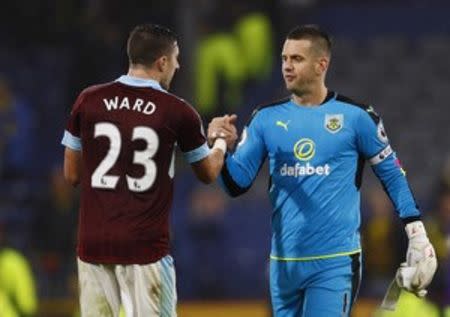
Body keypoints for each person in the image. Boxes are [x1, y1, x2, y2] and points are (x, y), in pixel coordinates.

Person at [208, 25, 437, 316]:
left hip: (335, 262)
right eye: (284, 58)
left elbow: (392, 174)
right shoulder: (264, 119)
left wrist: (417, 232)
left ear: (321, 65)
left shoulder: (357, 117)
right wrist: (219, 147)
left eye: (297, 59)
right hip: (283, 264)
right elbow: (235, 184)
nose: (287, 66)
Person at [61, 23, 237, 317]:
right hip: (145, 249)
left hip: (93, 245)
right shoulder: (177, 111)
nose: (179, 65)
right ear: (162, 61)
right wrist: (219, 140)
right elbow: (208, 173)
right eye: (177, 58)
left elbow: (72, 175)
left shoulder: (88, 100)